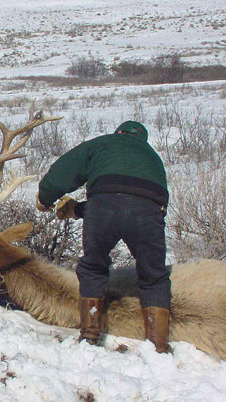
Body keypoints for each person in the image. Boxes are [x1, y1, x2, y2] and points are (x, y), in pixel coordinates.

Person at [36, 121, 171, 353]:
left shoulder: (103, 144)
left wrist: (45, 198)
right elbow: (131, 201)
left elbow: (67, 175)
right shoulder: (153, 157)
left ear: (118, 132)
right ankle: (158, 347)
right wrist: (77, 210)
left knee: (93, 268)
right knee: (154, 277)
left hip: (103, 207)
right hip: (149, 212)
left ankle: (89, 336)